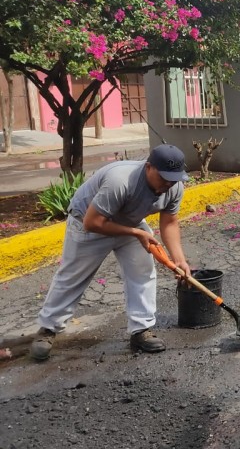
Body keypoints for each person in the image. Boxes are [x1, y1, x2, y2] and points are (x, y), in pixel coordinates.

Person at [29, 145, 192, 360]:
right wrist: (137, 233)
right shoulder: (121, 180)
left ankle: (141, 330)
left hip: (130, 223)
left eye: (174, 178)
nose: (168, 184)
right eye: (164, 178)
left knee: (142, 271)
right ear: (149, 167)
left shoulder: (174, 186)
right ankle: (48, 329)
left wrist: (179, 260)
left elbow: (169, 222)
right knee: (72, 277)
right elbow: (93, 222)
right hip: (87, 222)